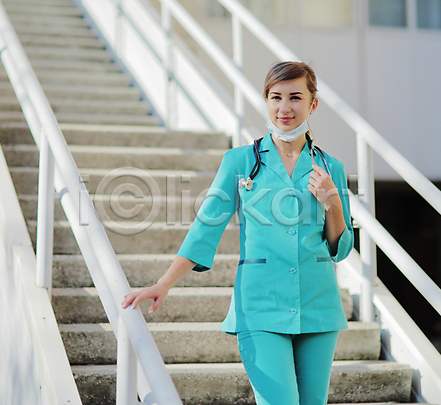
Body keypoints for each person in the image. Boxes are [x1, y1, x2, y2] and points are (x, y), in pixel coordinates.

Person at [122, 61, 354, 405]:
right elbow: (206, 228)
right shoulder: (240, 161)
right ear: (266, 101)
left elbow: (342, 247)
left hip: (319, 306)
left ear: (312, 104)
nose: (285, 108)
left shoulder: (331, 167)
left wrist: (332, 199)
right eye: (276, 97)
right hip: (260, 306)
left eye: (295, 97)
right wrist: (165, 282)